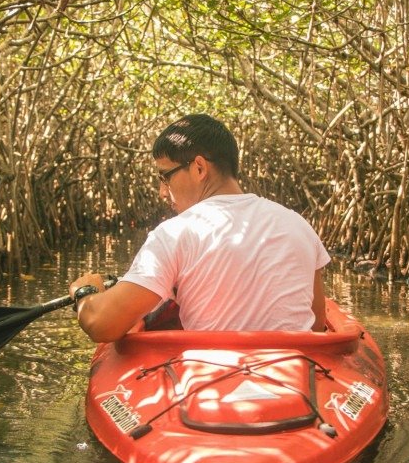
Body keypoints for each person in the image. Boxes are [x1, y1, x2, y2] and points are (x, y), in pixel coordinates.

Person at [69, 113, 330, 341]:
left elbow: (101, 325)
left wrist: (86, 292)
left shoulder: (175, 233)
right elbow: (317, 324)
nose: (162, 192)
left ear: (199, 167)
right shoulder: (298, 224)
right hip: (295, 379)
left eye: (164, 176)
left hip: (213, 386)